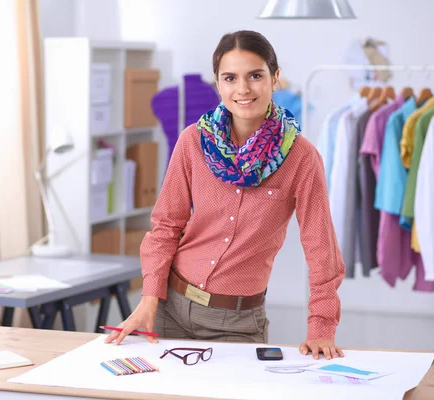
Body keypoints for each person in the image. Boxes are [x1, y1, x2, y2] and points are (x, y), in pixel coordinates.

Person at [105, 30, 345, 360]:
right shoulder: (192, 142)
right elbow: (166, 226)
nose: (243, 89)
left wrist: (321, 329)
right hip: (169, 310)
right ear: (218, 83)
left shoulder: (301, 157)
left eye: (255, 76)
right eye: (230, 78)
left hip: (238, 325)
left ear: (275, 79)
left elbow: (321, 247)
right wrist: (149, 299)